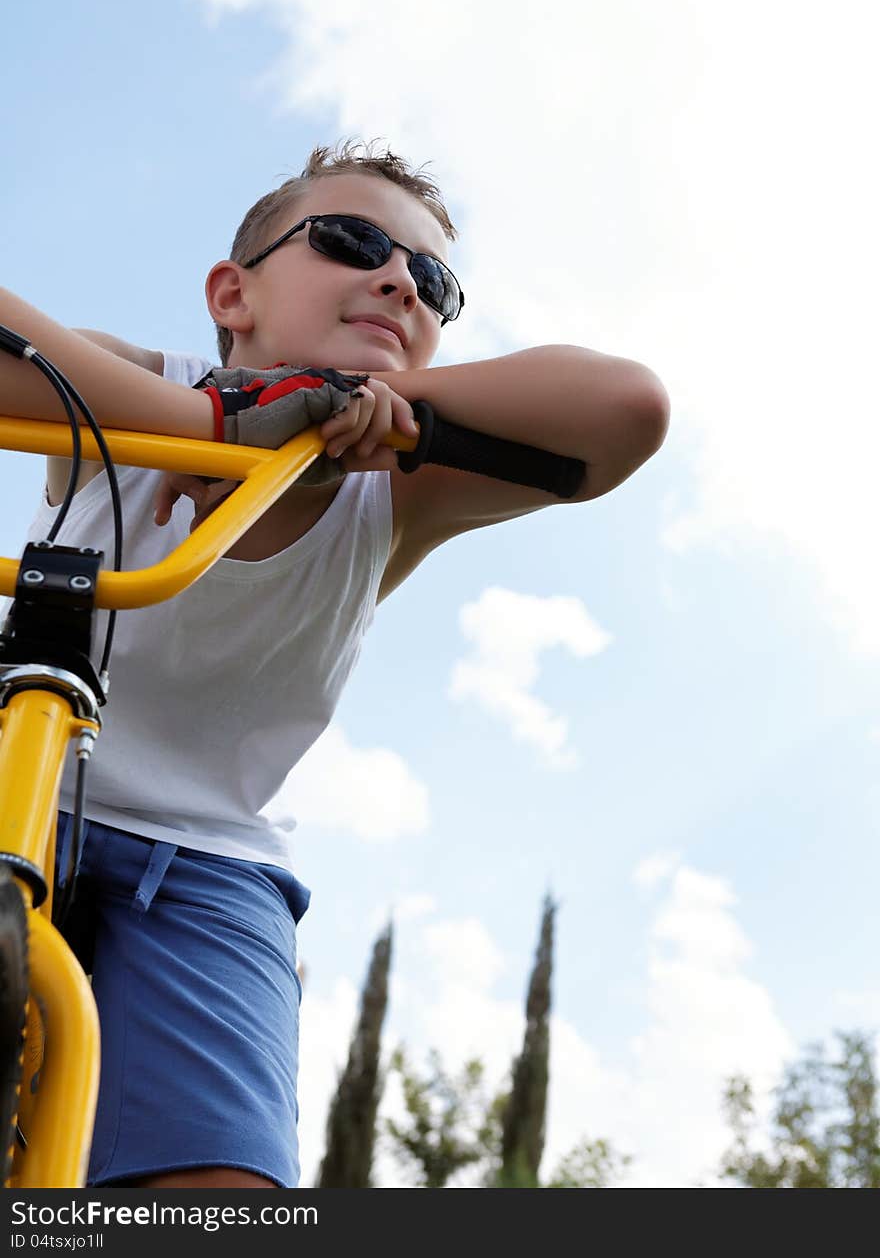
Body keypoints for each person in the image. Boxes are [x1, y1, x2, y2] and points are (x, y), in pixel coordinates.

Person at [0, 140, 670, 1189]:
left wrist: (362, 416)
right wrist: (216, 418)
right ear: (234, 293)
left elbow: (627, 408)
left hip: (207, 867)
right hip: (17, 788)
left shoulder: (402, 490)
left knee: (224, 1193)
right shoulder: (129, 384)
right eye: (352, 242)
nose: (398, 277)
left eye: (431, 280)